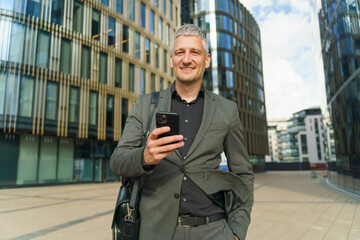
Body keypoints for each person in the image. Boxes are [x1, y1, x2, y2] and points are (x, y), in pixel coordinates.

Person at [110, 24, 254, 240]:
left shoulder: (227, 110)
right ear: (172, 60)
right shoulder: (146, 104)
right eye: (180, 52)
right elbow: (117, 161)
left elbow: (243, 173)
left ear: (206, 60)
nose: (187, 59)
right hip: (155, 231)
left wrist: (237, 231)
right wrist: (144, 157)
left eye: (194, 52)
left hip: (213, 231)